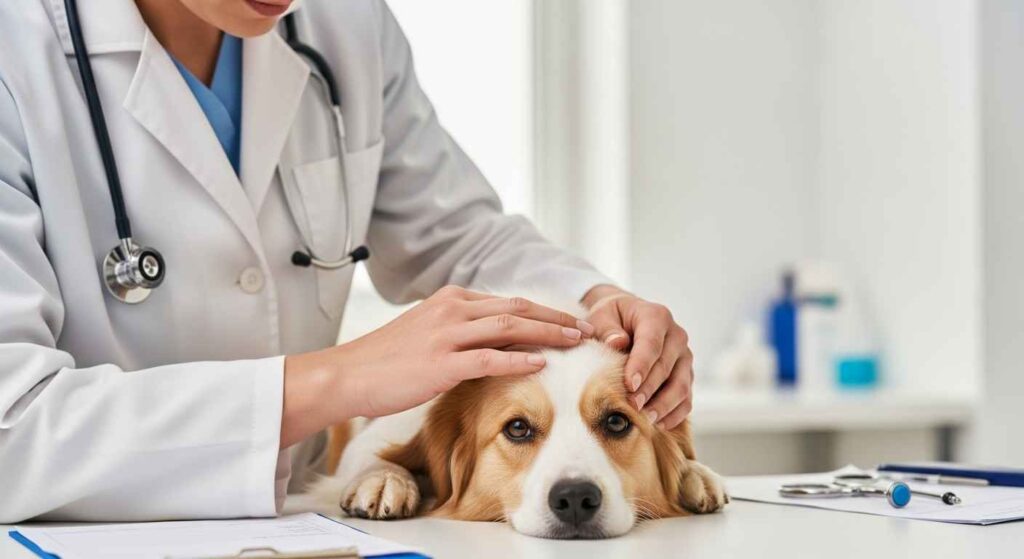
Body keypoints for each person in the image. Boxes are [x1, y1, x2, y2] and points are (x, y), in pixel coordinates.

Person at [0, 0, 694, 522]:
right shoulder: (17, 49)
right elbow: (12, 429)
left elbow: (462, 239)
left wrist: (597, 304)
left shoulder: (345, 26)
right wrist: (347, 376)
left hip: (301, 524)